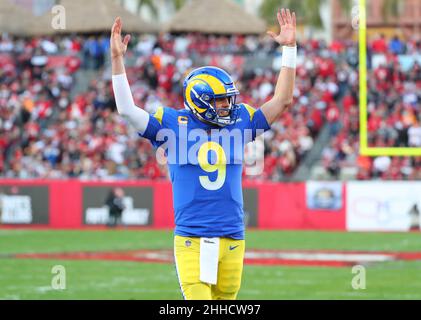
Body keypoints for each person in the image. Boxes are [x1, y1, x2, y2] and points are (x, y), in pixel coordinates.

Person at [110, 7, 296, 300]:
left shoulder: (239, 120)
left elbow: (283, 100)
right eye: (221, 102)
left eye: (228, 101)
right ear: (200, 101)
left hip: (233, 236)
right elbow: (126, 110)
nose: (229, 107)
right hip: (192, 239)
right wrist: (118, 61)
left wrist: (289, 50)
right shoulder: (172, 123)